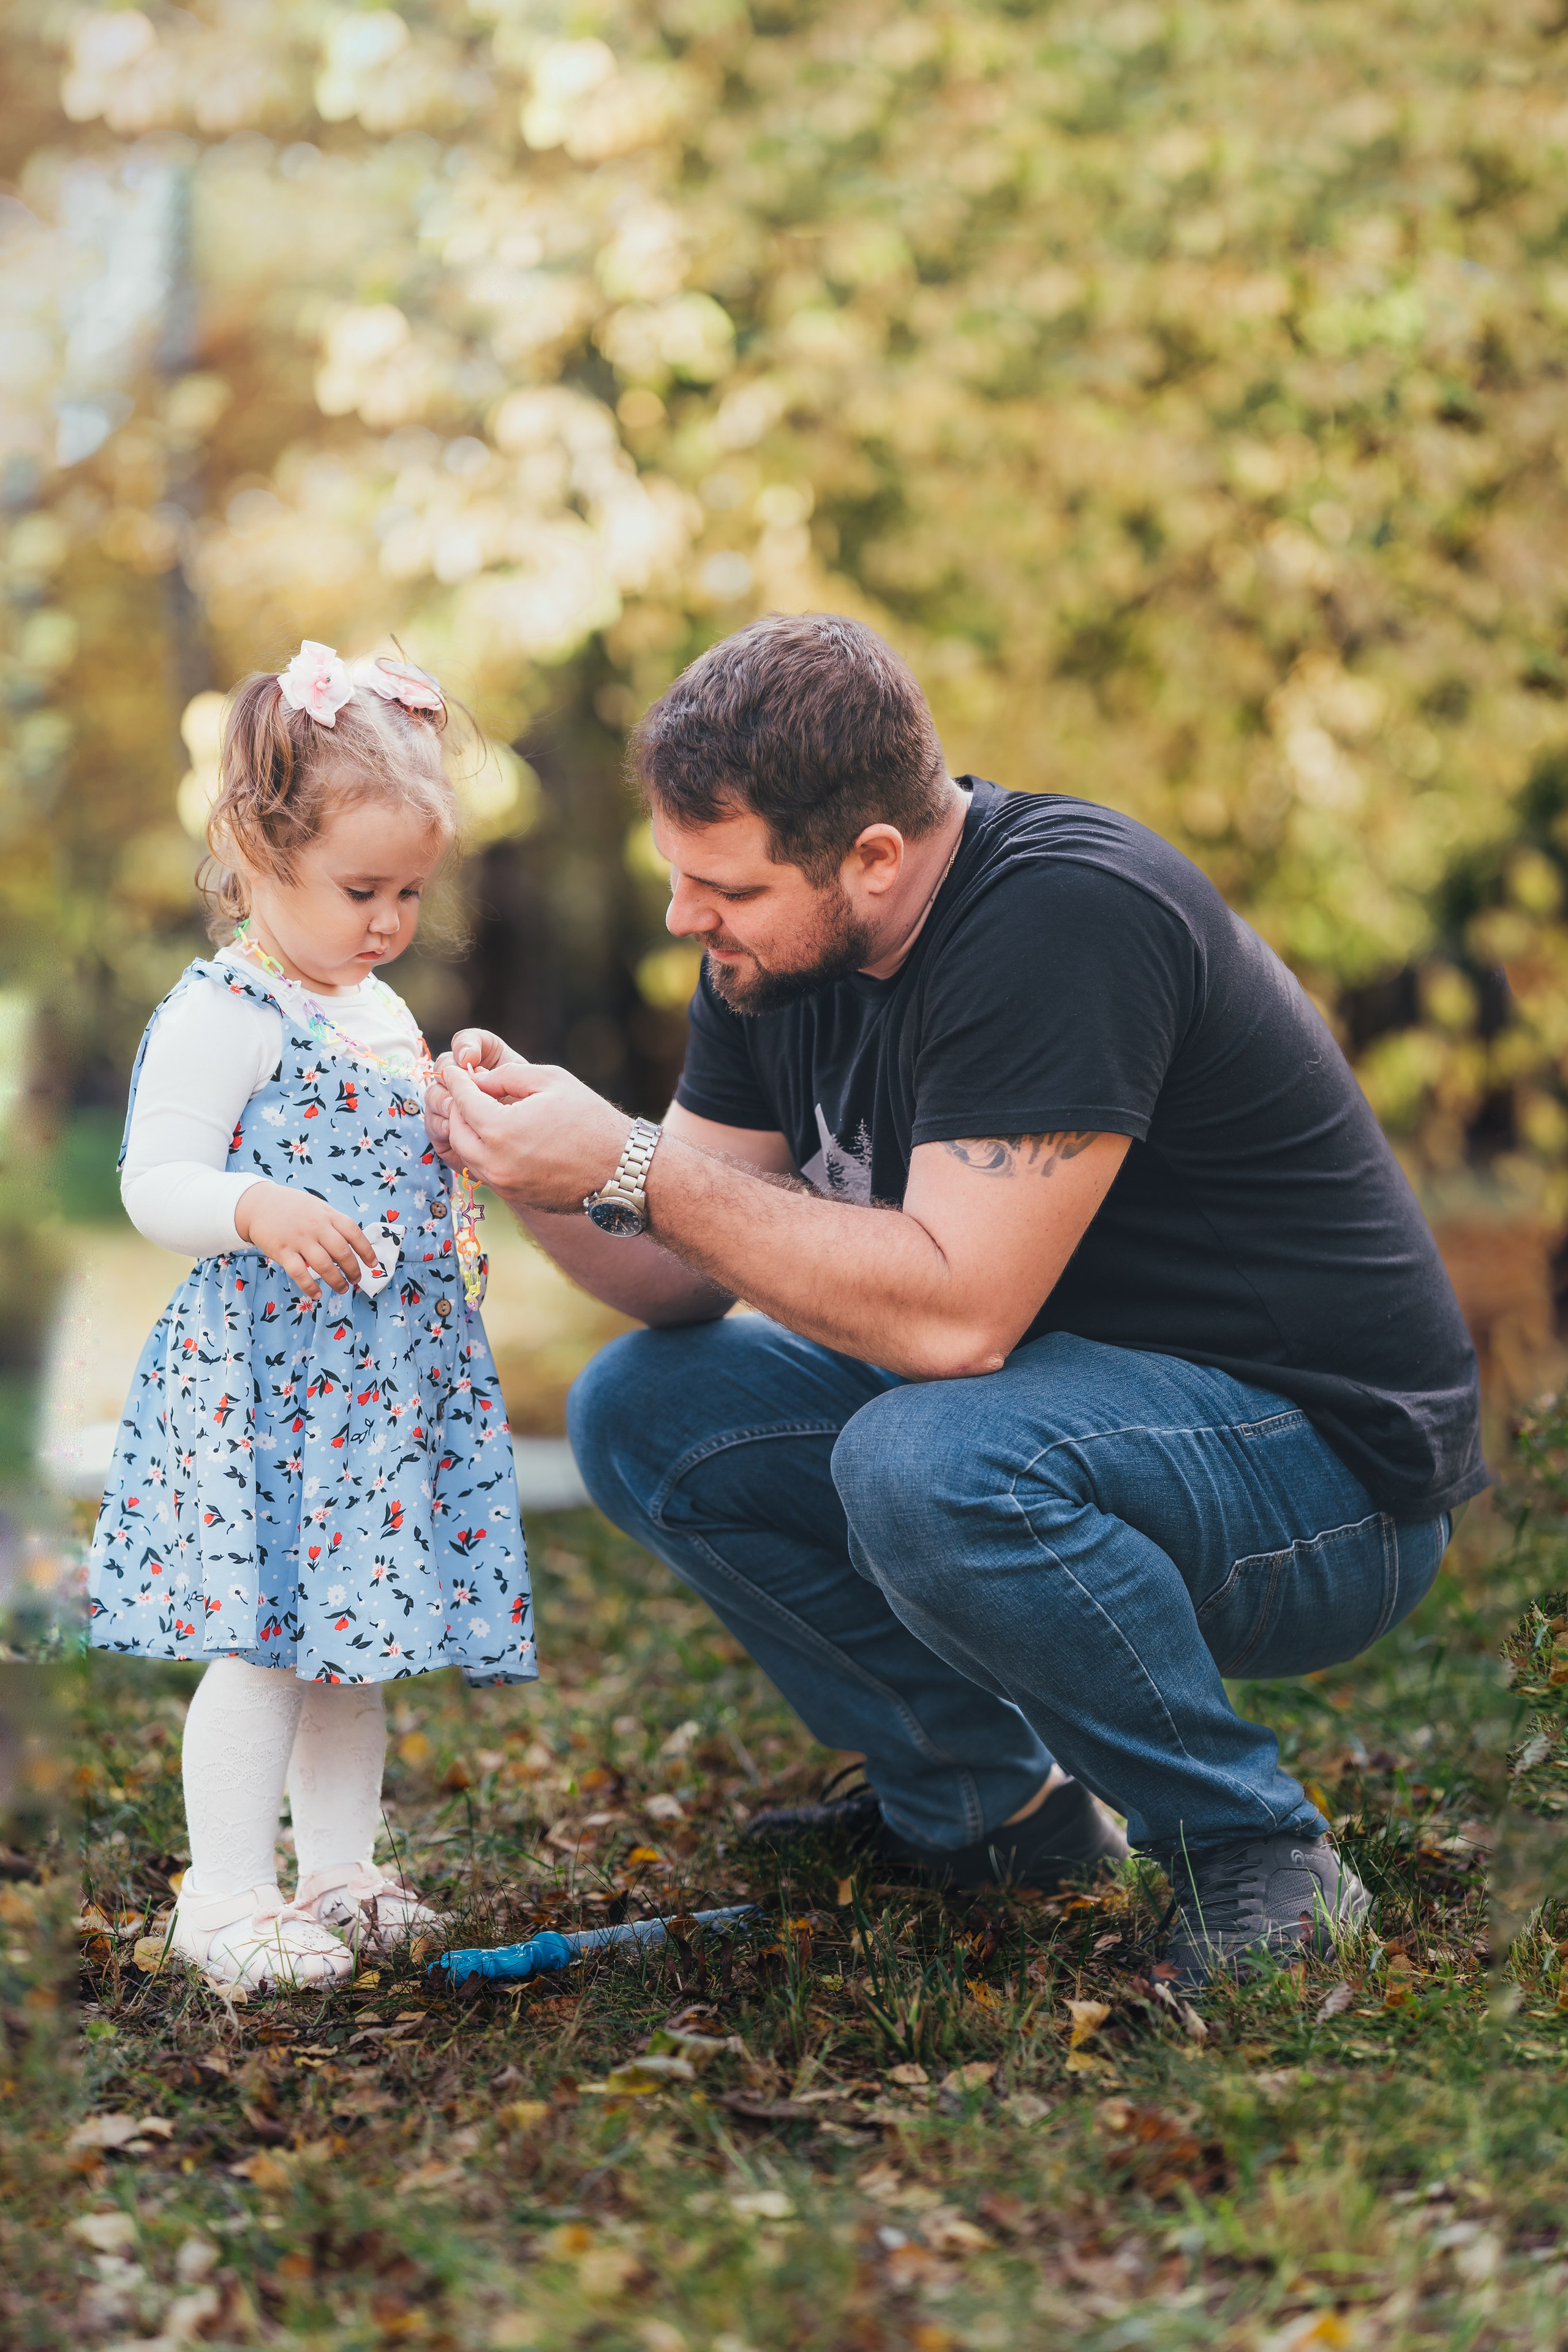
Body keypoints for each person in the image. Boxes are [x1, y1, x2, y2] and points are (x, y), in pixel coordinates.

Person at [424, 613, 1486, 1986]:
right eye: (676, 877)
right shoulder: (775, 957)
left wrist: (629, 1161)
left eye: (724, 887)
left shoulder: (1062, 916)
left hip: (1325, 1483)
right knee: (645, 1408)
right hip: (1066, 1422)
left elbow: (953, 1321)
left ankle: (1254, 1853)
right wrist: (530, 1165)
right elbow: (674, 1273)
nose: (687, 917)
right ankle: (987, 1815)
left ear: (873, 857)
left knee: (921, 1459)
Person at [88, 641, 533, 1990]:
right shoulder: (227, 1010)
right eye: (360, 890)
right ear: (255, 849)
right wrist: (254, 1206)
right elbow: (153, 1178)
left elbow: (384, 1139)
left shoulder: (374, 1004)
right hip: (274, 1380)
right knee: (269, 1642)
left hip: (375, 1384)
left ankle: (341, 1870)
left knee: (357, 1641)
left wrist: (455, 1096)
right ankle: (224, 1895)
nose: (388, 920)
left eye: (409, 892)